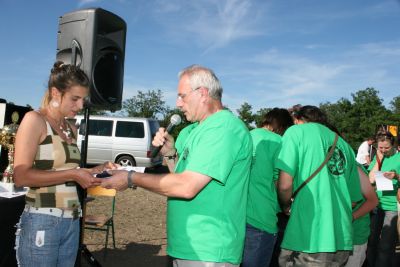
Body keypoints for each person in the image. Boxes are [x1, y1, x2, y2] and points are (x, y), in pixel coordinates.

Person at [102, 65, 253, 267]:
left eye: (182, 96)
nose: (177, 103)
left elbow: (186, 187)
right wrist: (170, 154)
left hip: (209, 249)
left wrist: (130, 177)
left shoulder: (223, 128)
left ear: (202, 94)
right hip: (186, 246)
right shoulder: (193, 130)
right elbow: (181, 176)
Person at [13, 61, 112, 267]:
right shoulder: (35, 120)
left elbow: (67, 171)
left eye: (83, 99)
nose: (80, 106)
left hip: (72, 221)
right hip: (42, 220)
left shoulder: (70, 129)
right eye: (75, 99)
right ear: (56, 93)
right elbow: (21, 176)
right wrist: (74, 175)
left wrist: (96, 170)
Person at [277, 105, 363, 266]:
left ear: (297, 120)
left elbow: (284, 184)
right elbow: (353, 199)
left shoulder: (296, 132)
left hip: (310, 237)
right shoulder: (345, 146)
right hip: (342, 238)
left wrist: (285, 205)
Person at [242, 108, 293, 267]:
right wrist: (286, 205)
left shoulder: (246, 136)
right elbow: (281, 183)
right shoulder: (279, 142)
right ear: (282, 127)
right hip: (262, 219)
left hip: (238, 216)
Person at [366, 131, 399, 267]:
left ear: (393, 145)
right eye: (380, 147)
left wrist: (396, 176)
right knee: (372, 241)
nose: (384, 150)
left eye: (387, 147)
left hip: (392, 207)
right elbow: (371, 179)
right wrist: (378, 159)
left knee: (385, 245)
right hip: (376, 205)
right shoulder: (378, 157)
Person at [344, 165, 378, 267]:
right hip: (336, 238)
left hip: (355, 236)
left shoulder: (354, 167)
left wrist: (352, 216)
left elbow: (372, 200)